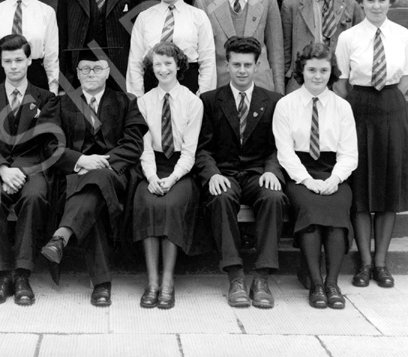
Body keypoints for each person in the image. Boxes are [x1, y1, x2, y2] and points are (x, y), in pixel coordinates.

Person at [39, 48, 148, 306]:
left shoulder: (125, 101)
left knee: (97, 180)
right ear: (76, 73)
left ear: (108, 72)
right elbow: (49, 146)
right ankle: (101, 284)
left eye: (97, 68)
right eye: (85, 69)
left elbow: (133, 144)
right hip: (73, 177)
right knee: (93, 200)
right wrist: (81, 160)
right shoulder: (62, 103)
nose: (90, 73)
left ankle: (61, 237)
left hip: (114, 175)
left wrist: (101, 162)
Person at [334, 0, 408, 289]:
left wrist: (387, 103)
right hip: (359, 108)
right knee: (361, 188)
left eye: (382, 0)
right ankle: (364, 264)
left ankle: (381, 262)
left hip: (393, 108)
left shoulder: (403, 35)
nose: (376, 6)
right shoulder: (348, 38)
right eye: (370, 0)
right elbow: (341, 83)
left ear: (390, 1)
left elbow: (406, 80)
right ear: (361, 2)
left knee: (388, 188)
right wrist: (360, 105)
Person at [195, 36, 286, 309]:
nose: (242, 70)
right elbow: (202, 148)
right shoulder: (211, 100)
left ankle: (262, 277)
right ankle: (235, 275)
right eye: (236, 64)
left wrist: (272, 170)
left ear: (257, 65)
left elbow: (279, 146)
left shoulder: (273, 101)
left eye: (248, 64)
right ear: (227, 64)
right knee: (221, 197)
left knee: (273, 197)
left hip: (258, 173)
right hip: (225, 172)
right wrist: (211, 174)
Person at [273, 43, 358, 309]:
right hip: (300, 174)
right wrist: (307, 181)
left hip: (334, 173)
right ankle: (315, 283)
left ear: (331, 72)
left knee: (335, 213)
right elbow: (285, 153)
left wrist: (334, 180)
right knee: (310, 209)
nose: (317, 76)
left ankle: (332, 284)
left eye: (323, 70)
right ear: (302, 71)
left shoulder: (342, 107)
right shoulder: (286, 105)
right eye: (312, 70)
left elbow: (349, 154)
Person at [0, 34, 55, 306]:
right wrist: (1, 169)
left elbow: (46, 142)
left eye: (19, 60)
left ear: (29, 60)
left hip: (31, 168)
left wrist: (19, 170)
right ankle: (1, 275)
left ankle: (22, 274)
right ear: (0, 63)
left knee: (34, 196)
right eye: (7, 61)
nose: (13, 66)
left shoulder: (45, 98)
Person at [133, 42, 203, 309]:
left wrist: (172, 178)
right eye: (157, 64)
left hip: (180, 169)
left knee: (172, 204)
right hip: (152, 166)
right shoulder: (143, 101)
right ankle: (152, 282)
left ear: (178, 65)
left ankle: (168, 281)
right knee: (148, 203)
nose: (162, 69)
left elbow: (189, 151)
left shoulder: (192, 102)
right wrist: (151, 177)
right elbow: (145, 147)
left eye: (168, 63)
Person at [195, 0, 284, 94]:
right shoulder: (205, 1)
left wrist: (279, 94)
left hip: (260, 88)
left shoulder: (268, 0)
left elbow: (276, 54)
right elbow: (202, 54)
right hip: (220, 88)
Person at [126, 0, 216, 97]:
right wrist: (138, 96)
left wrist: (203, 95)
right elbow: (135, 62)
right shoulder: (144, 17)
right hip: (152, 85)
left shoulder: (198, 16)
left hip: (188, 85)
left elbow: (208, 61)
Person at [281, 0, 363, 92]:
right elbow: (285, 53)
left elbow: (360, 48)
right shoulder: (291, 6)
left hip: (338, 84)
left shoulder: (351, 5)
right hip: (301, 83)